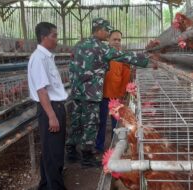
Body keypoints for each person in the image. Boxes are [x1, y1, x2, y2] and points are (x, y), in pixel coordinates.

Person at [66, 17, 149, 167]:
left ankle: (71, 152)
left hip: (77, 91)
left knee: (77, 121)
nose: (107, 33)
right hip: (91, 93)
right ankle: (87, 157)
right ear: (99, 30)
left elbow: (71, 67)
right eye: (106, 30)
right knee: (91, 123)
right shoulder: (100, 47)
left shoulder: (79, 45)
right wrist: (147, 60)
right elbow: (124, 56)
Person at [28, 22, 68, 190]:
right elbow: (41, 90)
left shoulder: (47, 57)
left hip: (55, 107)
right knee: (54, 154)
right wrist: (52, 116)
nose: (57, 40)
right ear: (44, 37)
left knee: (51, 151)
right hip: (50, 108)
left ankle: (45, 186)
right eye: (54, 36)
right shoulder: (38, 58)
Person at [95, 29, 131, 153]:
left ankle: (115, 148)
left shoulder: (123, 57)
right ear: (108, 40)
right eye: (114, 39)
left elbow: (126, 77)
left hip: (116, 97)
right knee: (101, 123)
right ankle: (99, 148)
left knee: (117, 125)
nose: (117, 42)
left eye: (119, 40)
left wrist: (122, 94)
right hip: (101, 96)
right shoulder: (101, 55)